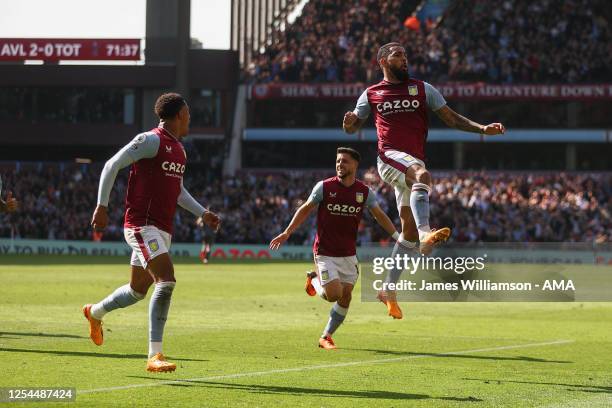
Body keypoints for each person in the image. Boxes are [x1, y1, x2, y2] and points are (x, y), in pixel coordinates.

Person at [342, 42, 505, 319]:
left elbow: (452, 119)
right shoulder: (371, 94)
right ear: (382, 61)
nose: (404, 60)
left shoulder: (423, 89)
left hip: (410, 162)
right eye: (397, 56)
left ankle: (388, 289)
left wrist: (482, 129)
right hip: (390, 158)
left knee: (407, 232)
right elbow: (353, 126)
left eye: (406, 55)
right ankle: (427, 232)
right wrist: (348, 123)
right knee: (422, 175)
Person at [83, 93, 221, 372]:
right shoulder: (151, 140)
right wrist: (101, 206)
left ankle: (94, 312)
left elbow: (178, 191)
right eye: (189, 114)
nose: (190, 119)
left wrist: (202, 213)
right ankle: (154, 356)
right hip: (141, 225)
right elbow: (112, 165)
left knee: (137, 291)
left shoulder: (179, 150)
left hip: (162, 228)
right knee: (166, 280)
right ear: (180, 114)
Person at [270, 147, 411, 350]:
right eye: (337, 161)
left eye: (344, 161)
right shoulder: (324, 187)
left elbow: (379, 215)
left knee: (346, 296)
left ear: (355, 165)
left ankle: (325, 336)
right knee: (334, 294)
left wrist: (397, 237)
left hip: (348, 254)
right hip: (325, 252)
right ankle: (314, 280)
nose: (339, 164)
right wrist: (287, 232)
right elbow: (305, 209)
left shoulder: (364, 192)